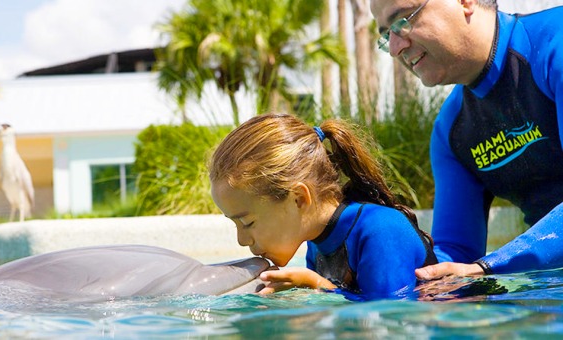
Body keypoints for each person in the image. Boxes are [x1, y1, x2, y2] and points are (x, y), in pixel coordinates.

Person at [369, 0, 563, 279]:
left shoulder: (555, 44)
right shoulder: (451, 131)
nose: (395, 48)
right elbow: (454, 257)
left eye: (402, 21)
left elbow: (475, 268)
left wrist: (489, 266)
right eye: (387, 35)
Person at [208, 113, 437, 299]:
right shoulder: (318, 240)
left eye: (247, 222)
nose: (242, 240)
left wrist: (316, 284)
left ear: (298, 198)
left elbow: (393, 315)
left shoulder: (381, 230)